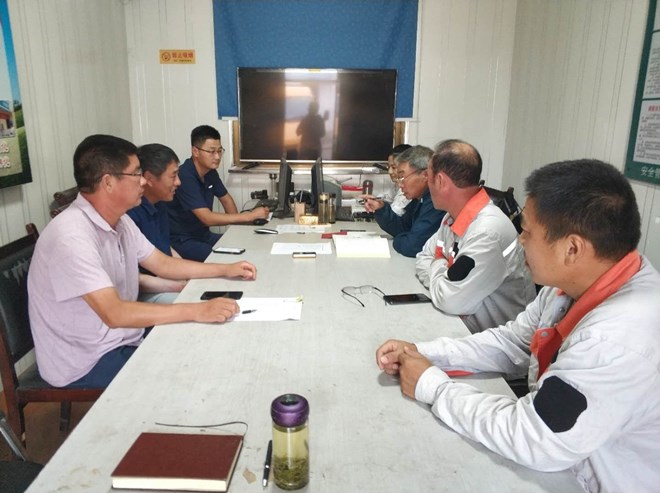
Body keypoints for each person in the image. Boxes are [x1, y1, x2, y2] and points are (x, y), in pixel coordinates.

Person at [376, 159, 660, 493]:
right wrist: (424, 353)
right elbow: (512, 342)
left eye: (526, 232)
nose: (520, 240)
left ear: (572, 248)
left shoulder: (617, 338)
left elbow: (537, 437)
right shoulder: (571, 285)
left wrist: (433, 387)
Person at [28, 134, 258, 389]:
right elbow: (115, 313)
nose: (143, 181)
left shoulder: (120, 221)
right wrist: (198, 310)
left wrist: (226, 269)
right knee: (190, 372)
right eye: (136, 173)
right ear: (108, 182)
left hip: (121, 337)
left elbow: (163, 264)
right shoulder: (71, 236)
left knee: (204, 341)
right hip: (87, 360)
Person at [416, 139, 535, 332]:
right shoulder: (451, 217)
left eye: (428, 178)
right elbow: (423, 257)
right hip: (461, 326)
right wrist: (442, 280)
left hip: (496, 340)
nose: (427, 184)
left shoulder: (488, 231)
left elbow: (449, 300)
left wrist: (438, 262)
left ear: (440, 181)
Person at [167, 125, 269, 261]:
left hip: (203, 235)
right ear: (195, 151)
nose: (217, 156)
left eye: (220, 151)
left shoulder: (210, 172)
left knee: (244, 246)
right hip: (183, 240)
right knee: (226, 258)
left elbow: (226, 200)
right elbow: (207, 218)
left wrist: (238, 229)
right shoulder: (185, 176)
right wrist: (248, 216)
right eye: (211, 151)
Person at [127, 143, 185, 303]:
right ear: (149, 178)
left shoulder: (159, 203)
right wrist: (180, 286)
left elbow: (166, 248)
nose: (178, 182)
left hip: (166, 279)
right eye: (173, 176)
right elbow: (135, 278)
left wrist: (187, 275)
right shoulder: (130, 214)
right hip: (144, 293)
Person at [364, 146, 445, 257]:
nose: (400, 184)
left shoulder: (436, 202)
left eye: (402, 177)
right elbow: (403, 228)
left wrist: (399, 239)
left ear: (425, 175)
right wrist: (381, 209)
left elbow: (413, 246)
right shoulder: (420, 198)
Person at [384, 143, 412, 216]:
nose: (390, 172)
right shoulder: (397, 185)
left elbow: (395, 212)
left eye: (394, 167)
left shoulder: (410, 190)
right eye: (388, 167)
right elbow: (387, 198)